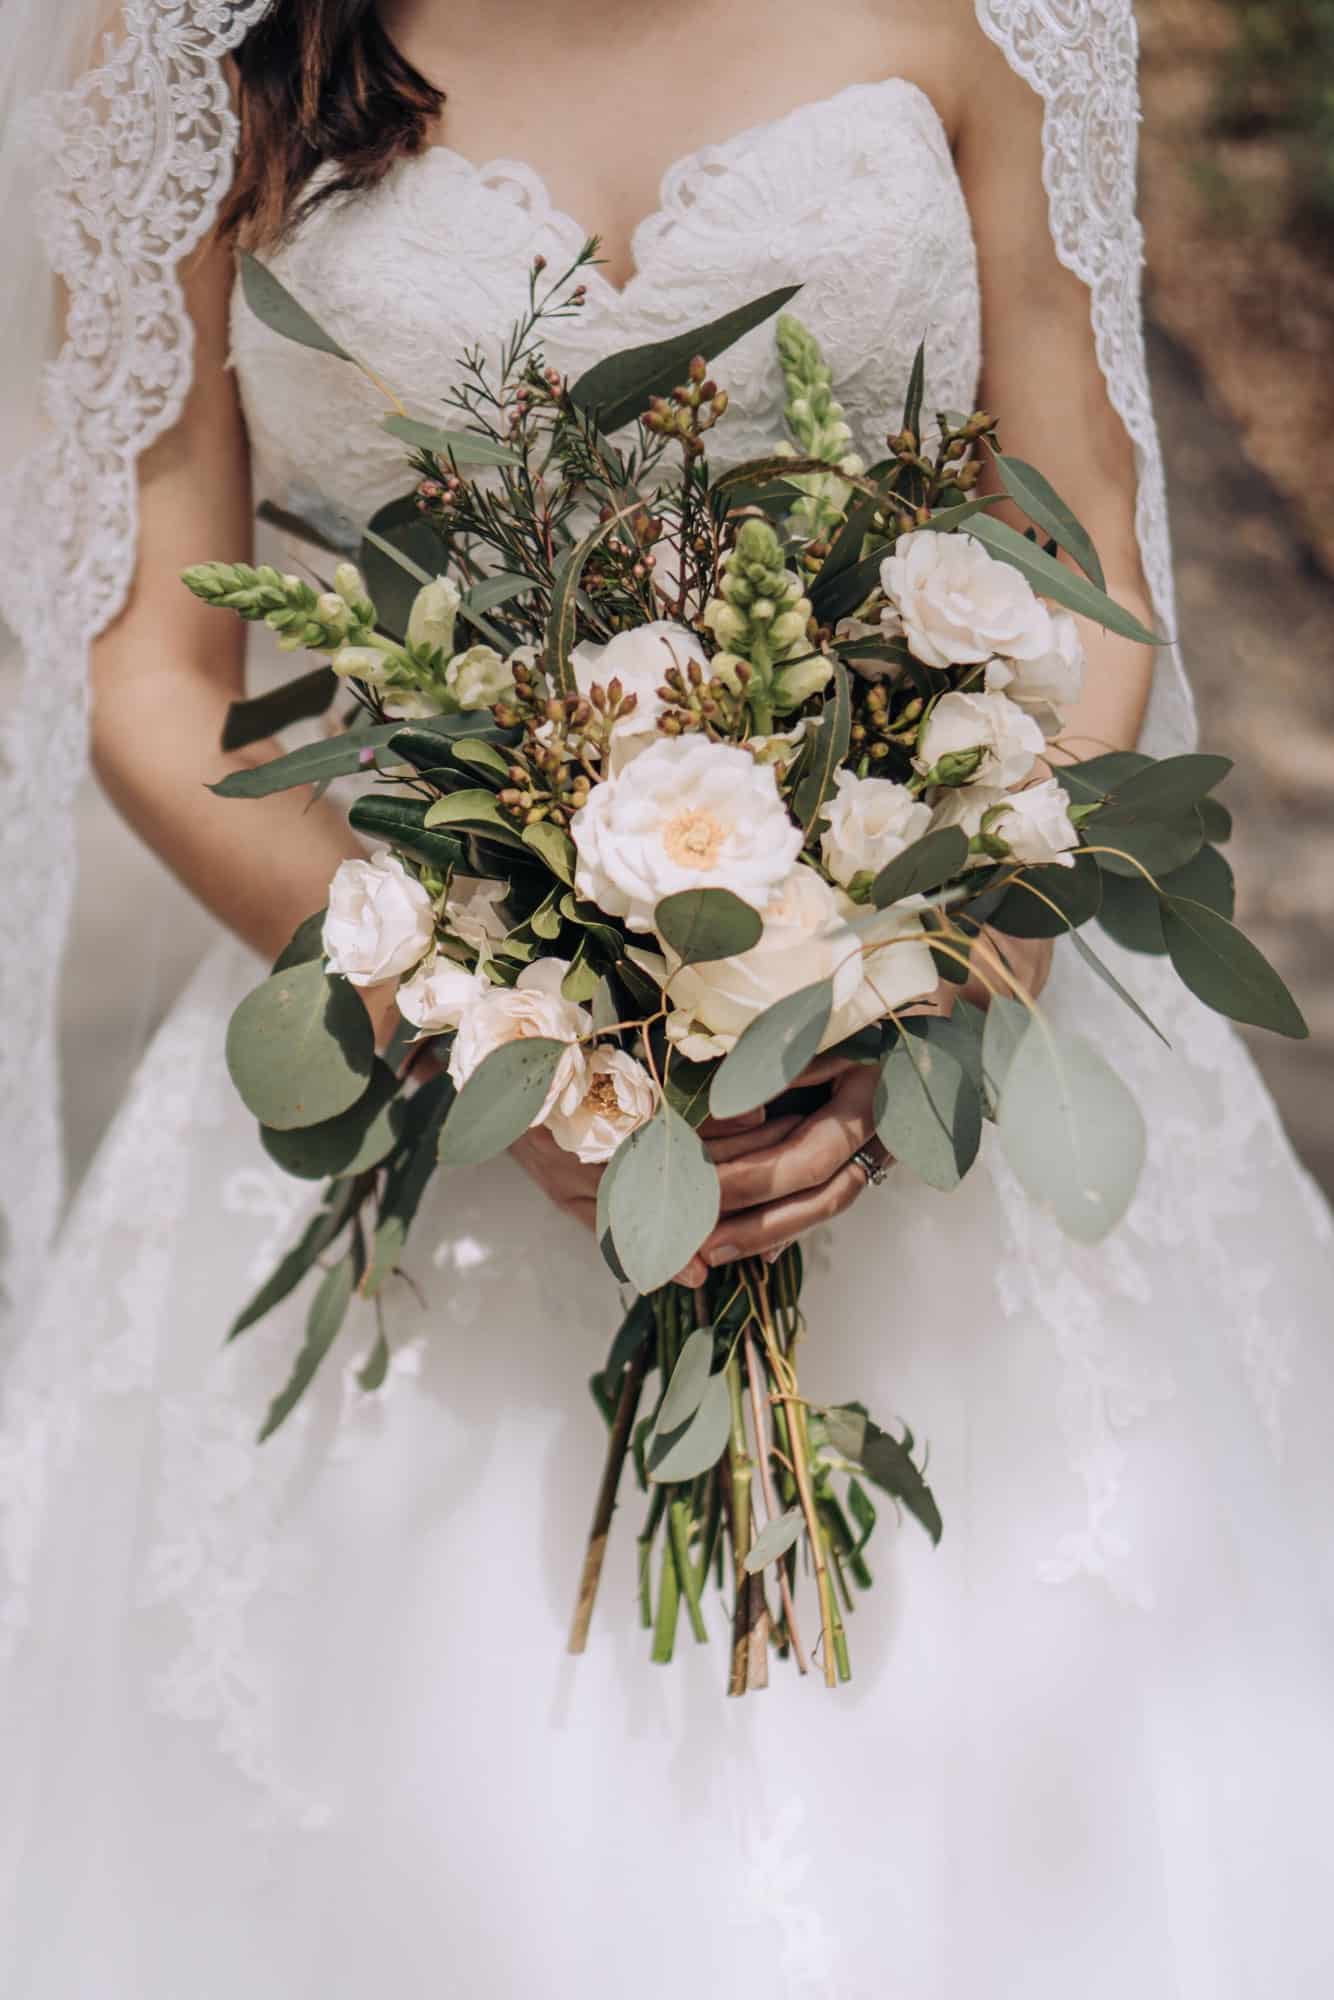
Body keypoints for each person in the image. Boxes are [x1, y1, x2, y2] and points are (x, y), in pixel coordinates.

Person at [1, 3, 1331, 1993]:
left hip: (936, 1035)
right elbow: (148, 670)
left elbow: (1085, 560)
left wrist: (912, 962)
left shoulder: (1000, 14)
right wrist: (488, 1025)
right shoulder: (198, 52)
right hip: (423, 1072)